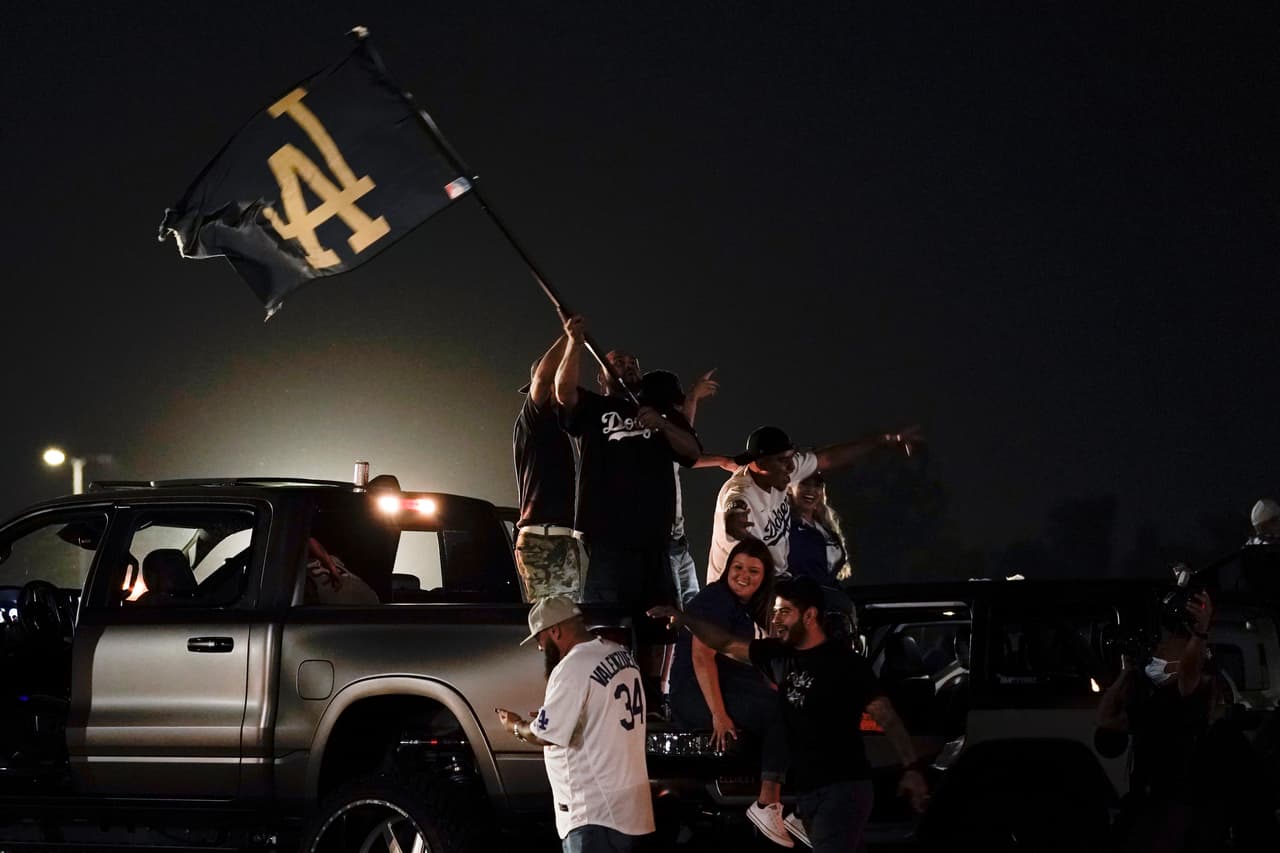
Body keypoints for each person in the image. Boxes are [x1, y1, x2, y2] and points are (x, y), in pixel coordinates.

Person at [652, 576, 929, 852]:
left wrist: (912, 769)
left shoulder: (844, 663)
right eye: (774, 612)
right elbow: (724, 642)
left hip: (842, 788)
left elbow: (887, 717)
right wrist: (684, 618)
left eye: (784, 612)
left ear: (809, 615)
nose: (776, 621)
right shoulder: (779, 656)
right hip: (808, 793)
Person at [555, 315, 701, 706]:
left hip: (654, 542)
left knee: (658, 624)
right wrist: (573, 342)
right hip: (607, 541)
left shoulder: (661, 412)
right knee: (606, 623)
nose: (625, 366)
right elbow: (562, 392)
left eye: (631, 362)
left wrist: (663, 426)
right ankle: (609, 697)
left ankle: (652, 696)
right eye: (616, 362)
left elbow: (691, 452)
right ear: (602, 374)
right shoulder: (595, 406)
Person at [1095, 589, 1272, 851]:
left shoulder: (1189, 697)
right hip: (1149, 802)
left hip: (1178, 808)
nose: (1160, 649)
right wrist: (1127, 672)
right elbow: (1106, 718)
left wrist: (1199, 634)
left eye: (1165, 647)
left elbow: (1189, 673)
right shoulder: (1151, 701)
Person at [495, 596, 654, 852]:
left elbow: (544, 734)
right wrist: (556, 714)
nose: (539, 648)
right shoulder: (620, 653)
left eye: (539, 639)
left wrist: (515, 726)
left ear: (555, 630)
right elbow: (600, 713)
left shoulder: (572, 666)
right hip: (632, 809)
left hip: (594, 815)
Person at [668, 539, 793, 847]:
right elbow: (702, 655)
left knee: (794, 705)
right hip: (699, 692)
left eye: (753, 570)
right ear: (727, 569)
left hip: (732, 687)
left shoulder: (748, 608)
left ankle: (797, 805)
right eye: (737, 567)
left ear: (765, 577)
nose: (743, 575)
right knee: (783, 712)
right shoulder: (716, 599)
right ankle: (767, 804)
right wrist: (718, 715)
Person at [707, 424, 920, 581]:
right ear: (761, 463)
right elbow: (734, 506)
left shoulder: (778, 473)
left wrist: (883, 440)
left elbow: (826, 458)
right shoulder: (741, 491)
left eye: (791, 458)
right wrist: (735, 520)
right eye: (784, 461)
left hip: (774, 582)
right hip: (737, 592)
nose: (791, 467)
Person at [513, 333, 586, 601]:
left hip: (562, 539)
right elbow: (542, 379)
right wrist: (569, 339)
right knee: (552, 622)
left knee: (569, 620)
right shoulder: (533, 419)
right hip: (541, 540)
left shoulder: (563, 426)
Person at [786, 472, 851, 585]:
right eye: (804, 484)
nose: (811, 490)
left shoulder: (825, 529)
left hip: (825, 598)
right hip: (798, 598)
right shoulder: (785, 525)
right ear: (789, 488)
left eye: (817, 485)